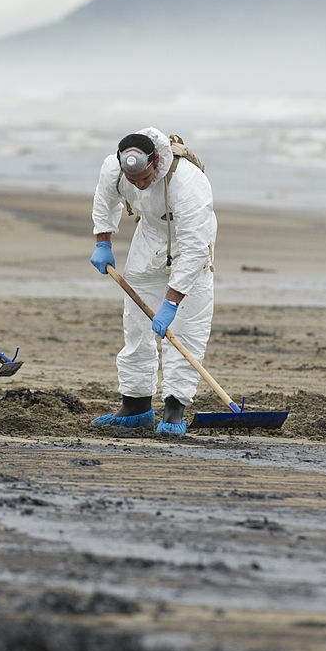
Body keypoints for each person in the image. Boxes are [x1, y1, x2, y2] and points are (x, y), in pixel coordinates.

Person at [88, 127, 217, 435]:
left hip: (190, 248)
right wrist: (103, 242)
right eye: (133, 181)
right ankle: (136, 405)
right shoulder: (114, 169)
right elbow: (105, 199)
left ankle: (174, 410)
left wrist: (172, 302)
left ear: (156, 160)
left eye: (144, 178)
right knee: (136, 325)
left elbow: (196, 245)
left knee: (186, 330)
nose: (140, 185)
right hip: (149, 239)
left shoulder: (188, 182)